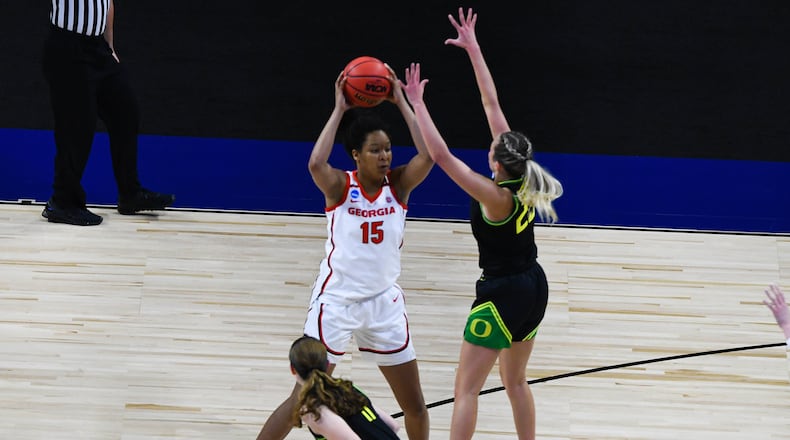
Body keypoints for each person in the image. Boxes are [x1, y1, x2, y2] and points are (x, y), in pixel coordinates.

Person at [400, 8, 563, 440]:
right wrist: (474, 48)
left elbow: (441, 157)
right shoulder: (523, 173)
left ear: (495, 160)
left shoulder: (495, 196)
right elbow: (491, 102)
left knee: (465, 391)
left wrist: (417, 104)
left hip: (501, 295)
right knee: (515, 382)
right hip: (534, 286)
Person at [256, 66, 434, 440]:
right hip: (337, 300)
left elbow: (429, 155)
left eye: (387, 149)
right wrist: (338, 109)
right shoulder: (340, 186)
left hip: (384, 302)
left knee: (415, 404)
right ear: (356, 155)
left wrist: (402, 100)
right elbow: (315, 163)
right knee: (300, 402)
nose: (385, 156)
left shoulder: (398, 185)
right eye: (375, 150)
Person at [42, 0, 174, 226]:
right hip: (67, 48)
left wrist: (109, 44)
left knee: (125, 111)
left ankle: (129, 193)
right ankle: (62, 202)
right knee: (77, 127)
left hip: (97, 48)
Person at [288, 335, 401, 439]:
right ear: (327, 364)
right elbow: (393, 426)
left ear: (292, 369)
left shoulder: (313, 411)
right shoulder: (348, 388)